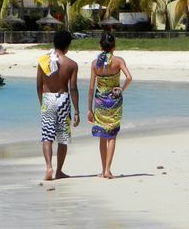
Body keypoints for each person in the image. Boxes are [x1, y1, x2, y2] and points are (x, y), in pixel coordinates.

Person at [36, 30, 80, 181]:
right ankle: (59, 171)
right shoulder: (71, 64)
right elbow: (73, 88)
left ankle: (49, 167)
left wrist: (42, 103)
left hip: (47, 99)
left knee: (47, 136)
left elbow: (38, 85)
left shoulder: (43, 61)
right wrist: (77, 112)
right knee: (62, 137)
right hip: (63, 100)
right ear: (68, 45)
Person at [87, 33, 132, 179]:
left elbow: (91, 87)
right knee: (112, 135)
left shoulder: (95, 64)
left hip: (100, 102)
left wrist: (89, 109)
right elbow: (129, 78)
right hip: (114, 101)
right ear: (114, 47)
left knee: (102, 135)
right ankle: (108, 170)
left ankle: (103, 170)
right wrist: (120, 89)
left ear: (100, 46)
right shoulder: (119, 61)